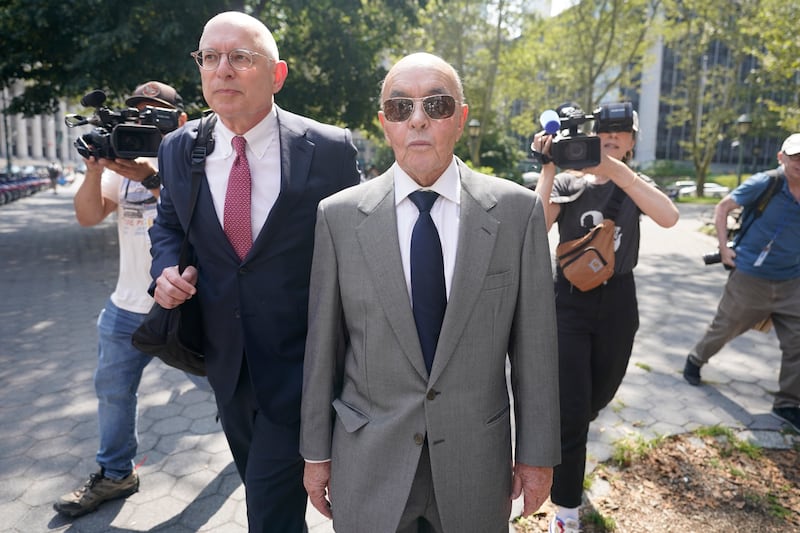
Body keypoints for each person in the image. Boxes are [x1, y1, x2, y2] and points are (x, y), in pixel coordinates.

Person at [300, 52, 561, 533]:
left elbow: (536, 352)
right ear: (385, 124)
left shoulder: (516, 213)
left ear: (461, 118)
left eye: (436, 105)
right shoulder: (337, 217)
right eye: (400, 108)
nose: (417, 119)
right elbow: (324, 350)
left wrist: (537, 456)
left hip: (475, 464)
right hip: (368, 461)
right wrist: (315, 454)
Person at [148, 11, 360, 533]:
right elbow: (168, 226)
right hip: (227, 364)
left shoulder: (329, 149)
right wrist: (164, 271)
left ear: (277, 74)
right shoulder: (180, 148)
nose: (223, 70)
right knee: (271, 497)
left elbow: (359, 246)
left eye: (241, 57)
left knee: (267, 509)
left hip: (305, 364)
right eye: (210, 58)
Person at [53, 81, 203, 518]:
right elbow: (87, 216)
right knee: (114, 394)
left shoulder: (195, 162)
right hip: (125, 310)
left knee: (228, 387)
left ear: (179, 121)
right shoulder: (121, 166)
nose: (141, 120)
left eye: (153, 113)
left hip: (185, 308)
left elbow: (203, 222)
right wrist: (96, 169)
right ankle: (116, 472)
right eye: (135, 112)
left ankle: (258, 450)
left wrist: (152, 178)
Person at [532, 102, 679, 533]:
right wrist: (546, 168)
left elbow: (670, 218)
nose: (612, 137)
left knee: (601, 393)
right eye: (605, 131)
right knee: (572, 412)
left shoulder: (633, 183)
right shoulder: (567, 182)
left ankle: (577, 426)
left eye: (621, 132)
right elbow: (534, 228)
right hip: (569, 302)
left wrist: (615, 171)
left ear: (633, 141)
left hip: (618, 302)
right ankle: (566, 512)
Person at [683, 133, 800, 432]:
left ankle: (787, 403)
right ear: (781, 157)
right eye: (795, 156)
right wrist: (724, 249)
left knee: (797, 343)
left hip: (792, 281)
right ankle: (696, 359)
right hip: (750, 277)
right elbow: (723, 207)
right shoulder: (766, 183)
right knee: (724, 328)